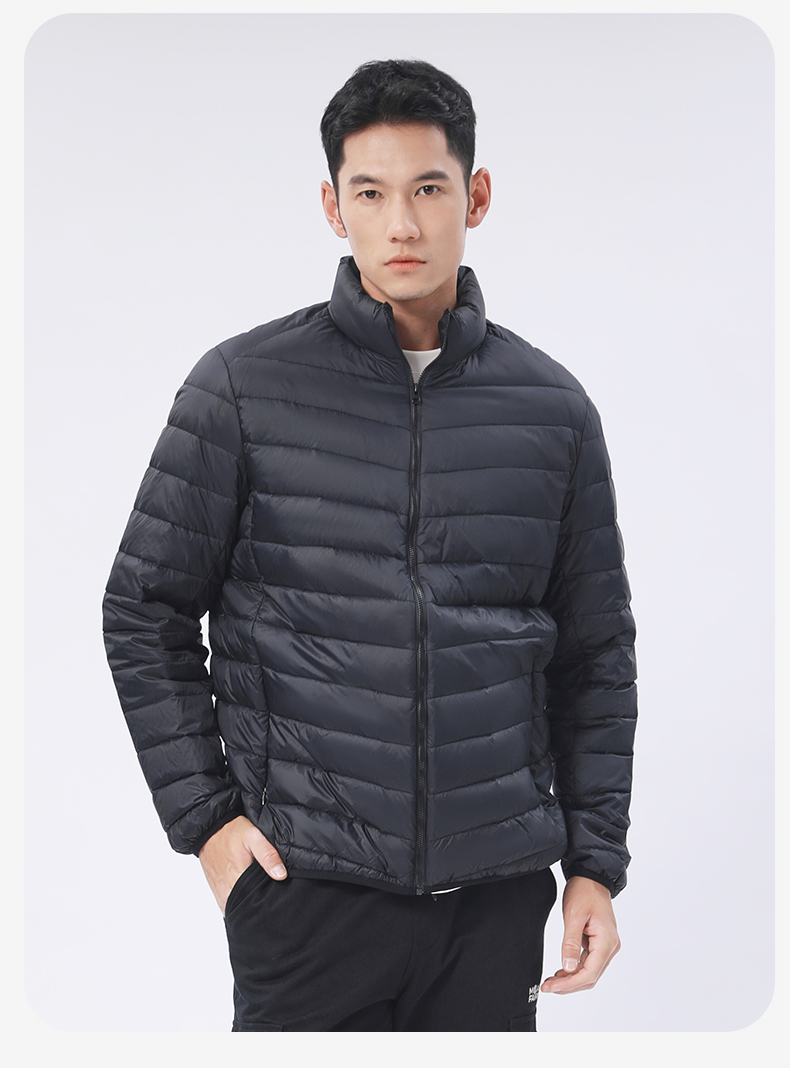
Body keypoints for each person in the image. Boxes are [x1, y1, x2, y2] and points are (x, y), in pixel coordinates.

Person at [103, 58, 637, 1032]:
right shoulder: (241, 389)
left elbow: (596, 652)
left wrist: (594, 864)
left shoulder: (553, 411)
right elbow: (144, 610)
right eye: (370, 193)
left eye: (428, 189)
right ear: (331, 206)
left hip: (492, 905)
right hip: (304, 898)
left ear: (476, 196)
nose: (402, 225)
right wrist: (210, 828)